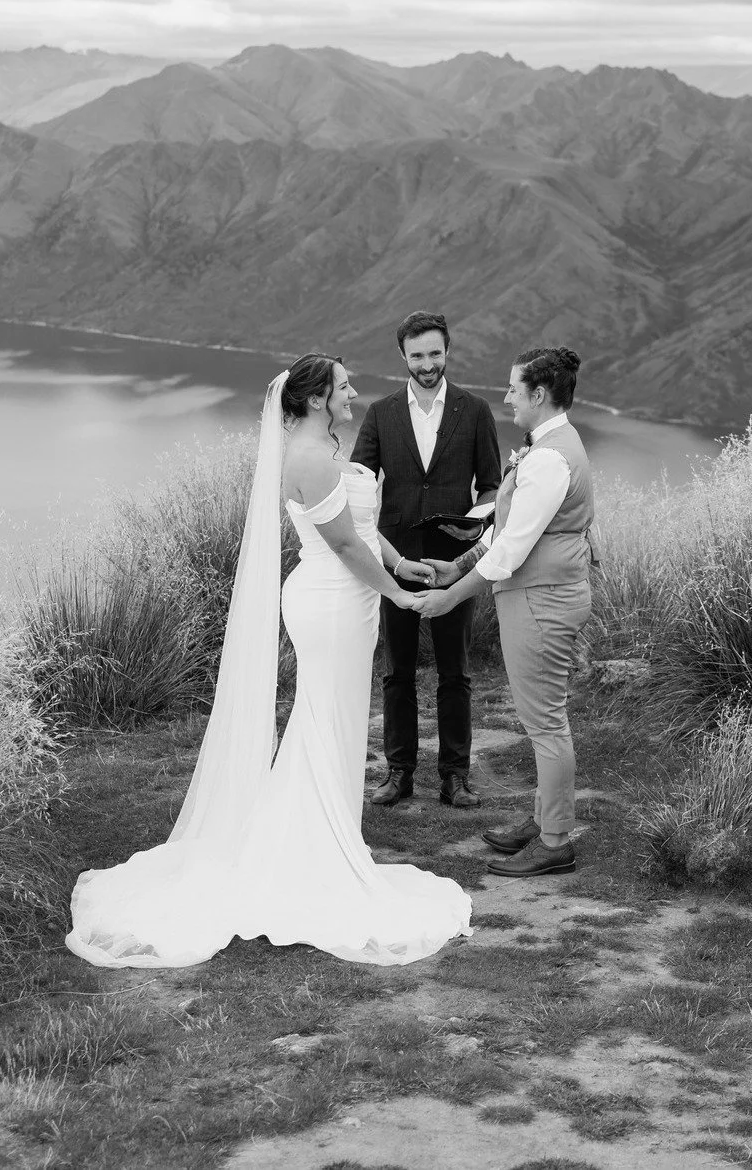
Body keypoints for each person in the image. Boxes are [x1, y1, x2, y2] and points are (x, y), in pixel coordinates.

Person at [65, 354, 472, 968]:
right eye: (342, 387)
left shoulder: (326, 450)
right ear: (314, 401)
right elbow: (337, 542)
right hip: (331, 602)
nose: (353, 392)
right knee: (322, 719)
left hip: (349, 597)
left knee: (332, 718)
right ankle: (312, 850)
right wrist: (397, 594)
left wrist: (398, 564)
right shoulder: (308, 459)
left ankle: (330, 841)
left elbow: (359, 525)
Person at [417, 346, 595, 879]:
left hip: (542, 601)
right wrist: (459, 565)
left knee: (545, 722)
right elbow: (505, 530)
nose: (507, 396)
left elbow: (512, 550)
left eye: (514, 388)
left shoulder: (548, 460)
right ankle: (544, 820)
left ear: (539, 395)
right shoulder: (549, 447)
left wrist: (451, 596)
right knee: (542, 718)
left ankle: (556, 840)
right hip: (539, 596)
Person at [351, 312, 502, 810]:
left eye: (435, 353)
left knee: (455, 672)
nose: (427, 364)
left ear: (447, 352)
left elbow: (493, 486)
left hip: (454, 563)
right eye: (417, 356)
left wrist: (469, 536)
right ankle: (399, 773)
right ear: (403, 357)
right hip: (396, 561)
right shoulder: (380, 413)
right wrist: (388, 558)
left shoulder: (475, 410)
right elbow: (357, 486)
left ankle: (455, 776)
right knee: (397, 670)